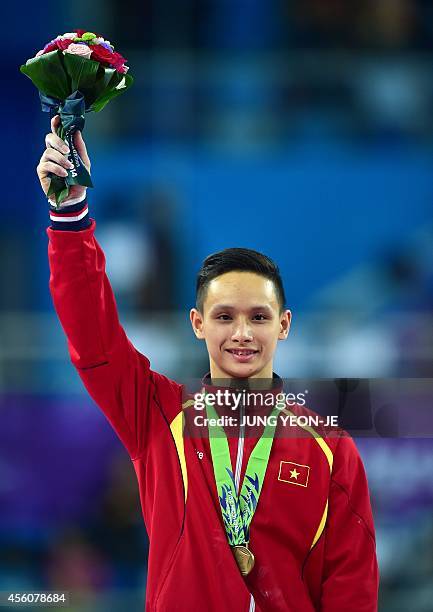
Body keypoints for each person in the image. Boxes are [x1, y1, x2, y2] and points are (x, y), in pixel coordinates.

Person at [37, 116, 379, 611]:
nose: (241, 333)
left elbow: (352, 589)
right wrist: (69, 215)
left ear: (284, 325)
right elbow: (94, 340)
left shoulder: (331, 452)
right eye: (225, 317)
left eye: (258, 317)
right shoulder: (156, 417)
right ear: (198, 324)